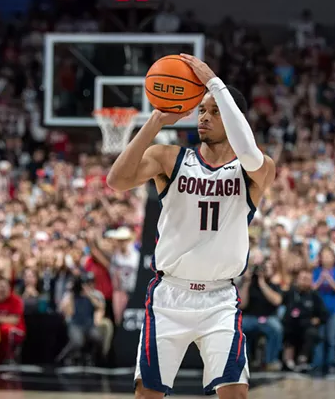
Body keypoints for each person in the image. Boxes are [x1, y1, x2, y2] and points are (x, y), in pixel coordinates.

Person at [107, 54, 276, 399]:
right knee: (147, 395)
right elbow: (116, 180)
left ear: (233, 118)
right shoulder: (170, 158)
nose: (204, 117)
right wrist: (156, 120)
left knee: (235, 393)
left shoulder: (255, 170)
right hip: (169, 295)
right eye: (202, 110)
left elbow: (248, 149)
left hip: (219, 298)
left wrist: (214, 82)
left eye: (215, 111)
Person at [56, 272, 107, 365]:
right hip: (75, 324)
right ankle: (63, 357)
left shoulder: (93, 295)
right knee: (78, 342)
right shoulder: (73, 296)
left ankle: (92, 359)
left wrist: (88, 294)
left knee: (98, 338)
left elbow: (100, 306)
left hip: (89, 325)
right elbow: (70, 312)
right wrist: (71, 294)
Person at [282, 268, 327, 371]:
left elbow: (324, 314)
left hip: (307, 325)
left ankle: (303, 359)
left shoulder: (314, 295)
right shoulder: (291, 292)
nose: (304, 281)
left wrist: (317, 320)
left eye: (307, 279)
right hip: (291, 324)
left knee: (311, 333)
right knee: (287, 331)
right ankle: (288, 361)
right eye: (302, 278)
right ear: (297, 279)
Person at [0, 277, 26, 363]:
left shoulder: (16, 300)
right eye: (0, 287)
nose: (2, 289)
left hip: (16, 330)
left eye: (4, 287)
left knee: (4, 329)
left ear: (9, 288)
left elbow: (15, 320)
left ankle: (9, 357)